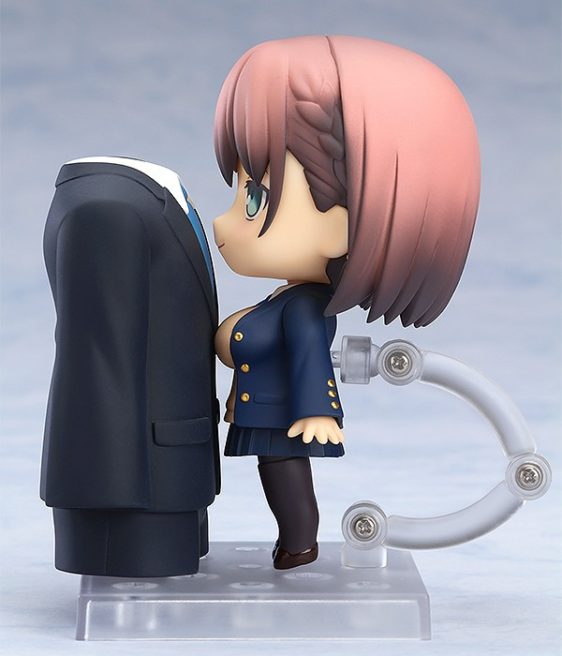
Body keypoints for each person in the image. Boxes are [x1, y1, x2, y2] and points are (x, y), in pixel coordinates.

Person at [212, 36, 480, 569]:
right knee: (275, 472)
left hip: (285, 414)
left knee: (284, 474)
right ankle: (296, 540)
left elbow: (310, 355)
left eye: (255, 198)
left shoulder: (305, 307)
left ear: (341, 225)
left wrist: (319, 410)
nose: (225, 222)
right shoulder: (286, 296)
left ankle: (299, 542)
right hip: (266, 410)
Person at [41, 157, 220, 577]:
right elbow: (97, 367)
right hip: (135, 497)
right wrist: (103, 495)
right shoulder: (106, 206)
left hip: (170, 475)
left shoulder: (140, 197)